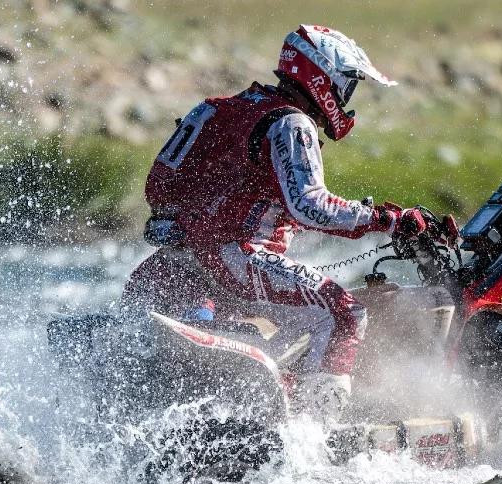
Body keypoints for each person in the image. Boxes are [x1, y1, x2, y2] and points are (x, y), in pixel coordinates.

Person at [123, 24, 426, 419]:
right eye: (346, 86)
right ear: (322, 77)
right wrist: (388, 220)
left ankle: (279, 405)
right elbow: (311, 206)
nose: (346, 99)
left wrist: (199, 222)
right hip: (236, 259)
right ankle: (316, 436)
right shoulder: (291, 123)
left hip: (180, 263)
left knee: (293, 322)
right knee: (344, 314)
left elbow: (158, 186)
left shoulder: (217, 108)